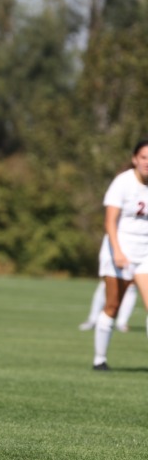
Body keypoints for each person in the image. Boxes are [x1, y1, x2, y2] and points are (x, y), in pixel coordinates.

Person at [93, 140, 148, 371]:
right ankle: (99, 359)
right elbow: (110, 221)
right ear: (135, 159)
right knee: (113, 306)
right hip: (120, 252)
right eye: (144, 157)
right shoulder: (123, 182)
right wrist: (117, 251)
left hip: (145, 254)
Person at [78, 236, 138, 332]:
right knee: (106, 283)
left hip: (139, 244)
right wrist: (117, 250)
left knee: (131, 286)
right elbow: (109, 222)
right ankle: (93, 319)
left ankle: (121, 323)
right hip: (116, 243)